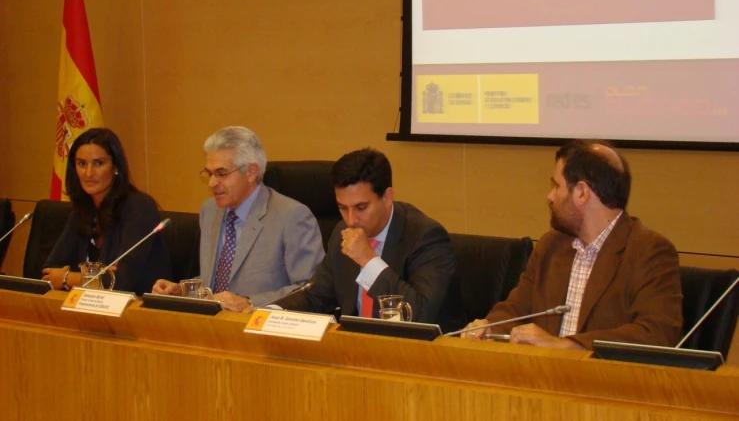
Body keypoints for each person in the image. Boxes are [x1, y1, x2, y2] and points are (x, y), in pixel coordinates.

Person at [463, 139, 682, 349]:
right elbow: (515, 310)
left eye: (556, 186)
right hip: (540, 377)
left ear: (581, 193)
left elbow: (657, 334)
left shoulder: (648, 251)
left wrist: (568, 346)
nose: (550, 196)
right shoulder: (551, 246)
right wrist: (487, 327)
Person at [274, 148, 465, 333]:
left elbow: (419, 315)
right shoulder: (342, 231)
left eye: (361, 207)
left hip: (420, 355)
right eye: (342, 207)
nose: (350, 220)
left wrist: (368, 260)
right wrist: (272, 312)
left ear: (387, 197)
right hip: (357, 351)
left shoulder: (426, 237)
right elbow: (315, 296)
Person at [152, 126, 324, 311]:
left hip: (259, 329)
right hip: (211, 326)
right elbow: (216, 284)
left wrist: (251, 302)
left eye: (221, 173)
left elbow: (310, 289)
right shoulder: (209, 211)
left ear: (251, 172)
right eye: (210, 173)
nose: (212, 183)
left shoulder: (292, 216)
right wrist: (184, 291)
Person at [42, 128, 171, 295]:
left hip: (138, 312)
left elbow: (122, 281)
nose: (89, 173)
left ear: (115, 166)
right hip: (90, 310)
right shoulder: (82, 211)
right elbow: (49, 272)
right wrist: (100, 278)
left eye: (98, 163)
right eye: (82, 164)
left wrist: (68, 278)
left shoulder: (139, 207)